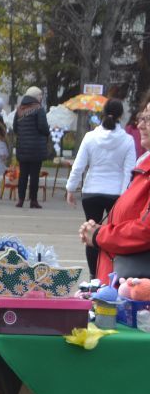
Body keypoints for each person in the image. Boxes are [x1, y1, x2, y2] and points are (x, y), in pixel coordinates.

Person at [67, 99, 136, 279]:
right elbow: (129, 171)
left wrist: (70, 188)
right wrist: (124, 196)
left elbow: (79, 165)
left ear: (102, 113)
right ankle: (114, 275)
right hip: (115, 194)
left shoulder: (90, 137)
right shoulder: (127, 140)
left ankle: (93, 276)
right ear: (121, 116)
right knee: (115, 236)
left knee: (91, 235)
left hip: (92, 191)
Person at [82, 107, 150, 286]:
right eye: (141, 118)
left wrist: (99, 234)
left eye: (148, 119)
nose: (141, 125)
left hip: (135, 289)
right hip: (122, 281)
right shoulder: (142, 163)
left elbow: (146, 231)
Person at [11, 86, 50, 208]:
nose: (41, 98)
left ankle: (21, 199)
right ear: (35, 96)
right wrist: (47, 133)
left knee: (23, 175)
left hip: (22, 147)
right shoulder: (39, 109)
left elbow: (15, 128)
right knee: (34, 175)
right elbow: (43, 127)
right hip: (36, 148)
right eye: (39, 95)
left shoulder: (19, 110)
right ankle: (33, 200)